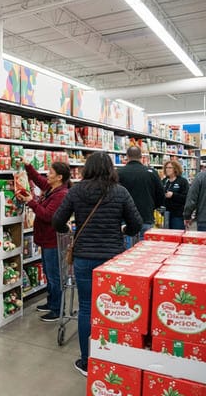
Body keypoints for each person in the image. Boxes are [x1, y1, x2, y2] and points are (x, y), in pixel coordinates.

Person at [52, 152, 142, 377]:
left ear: (87, 169)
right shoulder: (120, 192)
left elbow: (57, 221)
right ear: (110, 169)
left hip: (83, 258)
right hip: (112, 260)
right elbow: (136, 224)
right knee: (112, 308)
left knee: (86, 307)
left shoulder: (76, 191)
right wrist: (123, 230)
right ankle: (111, 356)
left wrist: (69, 232)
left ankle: (87, 361)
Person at [16, 160, 70, 322]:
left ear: (59, 177)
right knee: (49, 273)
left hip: (53, 241)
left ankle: (56, 309)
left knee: (54, 276)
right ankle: (51, 302)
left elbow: (48, 216)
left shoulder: (61, 194)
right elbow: (38, 179)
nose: (48, 174)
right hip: (46, 240)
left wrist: (30, 202)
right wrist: (27, 166)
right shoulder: (52, 188)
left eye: (51, 173)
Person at [117, 146, 164, 239]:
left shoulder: (118, 173)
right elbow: (161, 194)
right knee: (144, 250)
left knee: (127, 251)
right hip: (146, 216)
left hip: (125, 219)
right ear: (141, 156)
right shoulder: (151, 172)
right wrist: (152, 206)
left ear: (127, 156)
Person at [162, 160, 189, 230]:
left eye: (170, 168)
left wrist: (173, 195)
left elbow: (186, 198)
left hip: (178, 215)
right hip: (165, 214)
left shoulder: (183, 181)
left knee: (177, 235)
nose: (167, 169)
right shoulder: (164, 181)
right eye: (166, 167)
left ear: (175, 169)